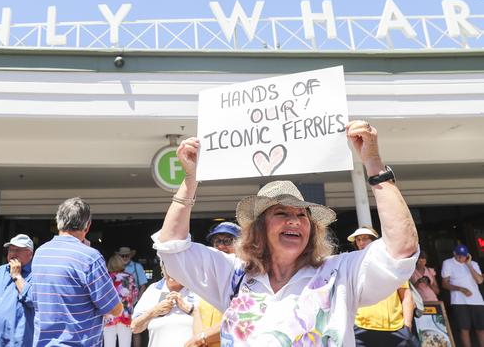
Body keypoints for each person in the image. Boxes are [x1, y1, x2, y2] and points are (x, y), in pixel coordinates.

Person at [154, 120, 419, 346]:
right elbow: (172, 248)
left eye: (302, 215)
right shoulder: (232, 276)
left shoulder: (339, 275)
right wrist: (190, 180)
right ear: (258, 229)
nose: (294, 220)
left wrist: (373, 164)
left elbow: (401, 250)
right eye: (281, 213)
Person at [31, 197, 123, 346]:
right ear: (87, 226)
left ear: (58, 221)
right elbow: (114, 308)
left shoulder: (40, 253)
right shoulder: (90, 257)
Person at [348, 226, 418, 346]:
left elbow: (406, 296)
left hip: (395, 328)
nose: (361, 242)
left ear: (375, 241)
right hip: (361, 327)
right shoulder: (351, 264)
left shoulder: (392, 263)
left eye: (365, 238)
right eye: (358, 239)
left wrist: (407, 325)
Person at [185, 222, 241, 347]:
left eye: (228, 241)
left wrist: (202, 338)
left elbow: (239, 318)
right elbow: (197, 313)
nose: (221, 246)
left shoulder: (247, 277)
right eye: (217, 241)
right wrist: (199, 340)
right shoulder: (203, 276)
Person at [131, 262, 197, 347]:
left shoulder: (198, 290)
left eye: (176, 268)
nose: (171, 272)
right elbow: (134, 327)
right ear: (162, 269)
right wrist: (154, 311)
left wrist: (188, 308)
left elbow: (213, 323)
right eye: (167, 267)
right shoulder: (153, 290)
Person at [441, 244, 484, 347]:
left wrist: (469, 265)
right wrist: (460, 289)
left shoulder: (473, 264)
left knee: (481, 328)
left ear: (467, 255)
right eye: (459, 255)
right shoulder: (448, 263)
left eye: (463, 255)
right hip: (459, 301)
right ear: (454, 253)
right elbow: (444, 284)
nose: (461, 258)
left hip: (477, 301)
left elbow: (479, 280)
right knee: (464, 329)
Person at [104, 254, 138, 347]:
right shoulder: (129, 277)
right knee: (125, 344)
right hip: (125, 315)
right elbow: (134, 295)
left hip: (109, 316)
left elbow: (101, 297)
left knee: (109, 344)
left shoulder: (106, 278)